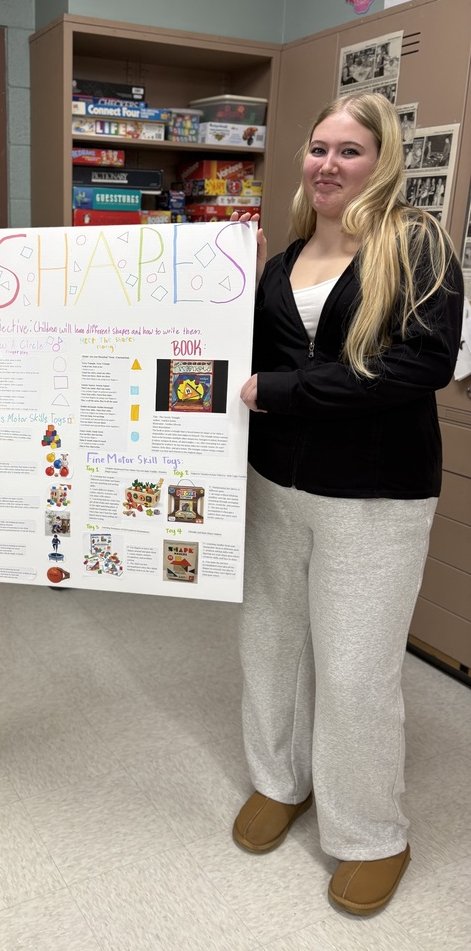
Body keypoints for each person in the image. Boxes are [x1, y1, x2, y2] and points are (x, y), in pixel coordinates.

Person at [232, 94, 463, 915]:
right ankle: (279, 779)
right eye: (318, 147)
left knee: (357, 668)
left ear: (383, 160)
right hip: (275, 485)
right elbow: (238, 364)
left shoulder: (417, 245)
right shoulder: (281, 257)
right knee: (271, 639)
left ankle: (371, 833)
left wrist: (287, 391)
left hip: (375, 494)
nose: (328, 164)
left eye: (351, 151)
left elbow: (420, 365)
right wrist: (218, 288)